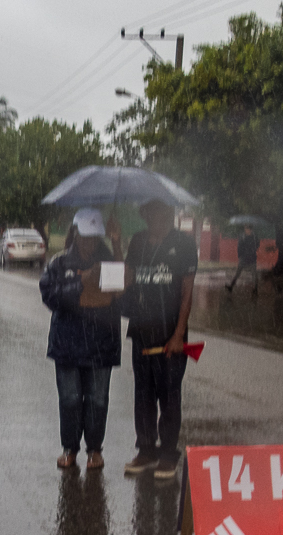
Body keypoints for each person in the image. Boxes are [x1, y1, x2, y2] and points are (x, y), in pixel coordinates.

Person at [40, 209, 123, 472]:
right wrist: (81, 282)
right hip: (67, 345)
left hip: (102, 344)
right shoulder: (59, 263)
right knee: (70, 399)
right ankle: (70, 448)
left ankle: (95, 450)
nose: (90, 241)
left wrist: (118, 243)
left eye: (95, 237)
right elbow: (50, 298)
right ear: (75, 233)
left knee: (98, 399)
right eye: (85, 236)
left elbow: (121, 293)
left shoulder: (109, 262)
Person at [123, 199, 198, 480]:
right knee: (143, 394)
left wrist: (179, 334)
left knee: (169, 394)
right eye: (152, 213)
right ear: (145, 215)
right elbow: (127, 278)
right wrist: (117, 242)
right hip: (141, 330)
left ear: (170, 214)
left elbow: (187, 292)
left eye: (163, 212)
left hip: (170, 335)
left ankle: (168, 454)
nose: (158, 217)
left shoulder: (185, 244)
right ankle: (146, 449)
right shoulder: (138, 241)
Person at [226, 223, 259, 295]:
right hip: (244, 257)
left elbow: (257, 245)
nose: (245, 230)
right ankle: (231, 286)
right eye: (245, 228)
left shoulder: (254, 237)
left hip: (251, 257)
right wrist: (240, 255)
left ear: (250, 229)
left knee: (254, 274)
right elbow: (239, 246)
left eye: (246, 228)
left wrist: (252, 250)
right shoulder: (243, 236)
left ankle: (255, 289)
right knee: (238, 272)